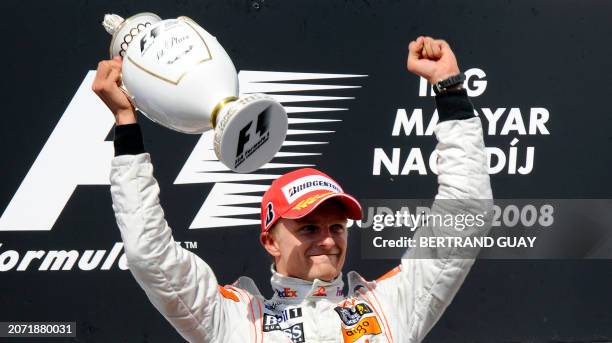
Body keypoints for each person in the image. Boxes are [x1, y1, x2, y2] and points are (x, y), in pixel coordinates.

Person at [93, 36, 493, 343]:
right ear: (270, 240)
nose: (328, 240)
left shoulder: (390, 304)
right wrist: (127, 125)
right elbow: (150, 256)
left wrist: (450, 91)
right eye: (308, 228)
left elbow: (466, 218)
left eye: (336, 227)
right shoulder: (237, 323)